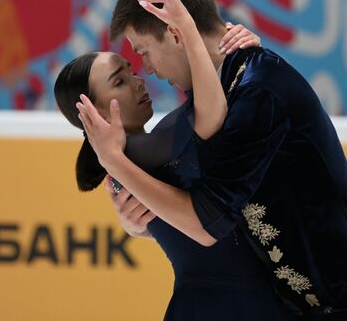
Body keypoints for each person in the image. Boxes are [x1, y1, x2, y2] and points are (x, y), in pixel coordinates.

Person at [78, 0, 347, 320]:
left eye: (143, 51)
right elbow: (200, 206)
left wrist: (113, 160)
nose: (146, 68)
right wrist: (142, 224)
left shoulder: (259, 90)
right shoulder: (216, 93)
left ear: (176, 33)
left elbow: (207, 222)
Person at [55, 17, 297, 319]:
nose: (138, 80)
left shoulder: (133, 161)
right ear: (91, 113)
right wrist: (241, 58)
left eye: (130, 71)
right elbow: (211, 110)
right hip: (229, 304)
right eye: (119, 81)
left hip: (217, 300)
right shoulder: (139, 155)